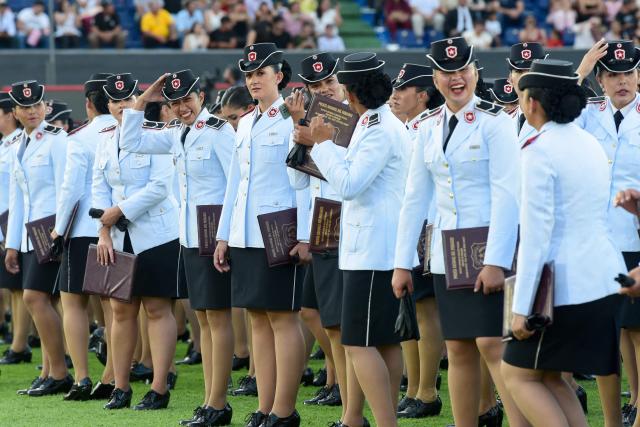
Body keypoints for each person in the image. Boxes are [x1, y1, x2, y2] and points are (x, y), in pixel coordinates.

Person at [392, 37, 526, 427]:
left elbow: (507, 196)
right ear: (434, 79)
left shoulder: (495, 122)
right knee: (459, 348)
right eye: (448, 73)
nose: (457, 79)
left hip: (489, 249)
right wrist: (403, 263)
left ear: (475, 72)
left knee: (493, 346)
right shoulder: (429, 127)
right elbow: (414, 199)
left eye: (463, 70)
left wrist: (497, 262)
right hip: (448, 252)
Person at [501, 58, 624, 427]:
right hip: (601, 280)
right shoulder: (587, 142)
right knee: (549, 377)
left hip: (565, 288)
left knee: (517, 375)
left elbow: (537, 235)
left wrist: (520, 308)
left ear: (532, 103)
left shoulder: (538, 150)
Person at [300, 51, 412, 427]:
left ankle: (384, 422)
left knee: (357, 343)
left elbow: (349, 184)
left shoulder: (379, 128)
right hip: (377, 247)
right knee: (383, 341)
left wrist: (322, 144)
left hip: (372, 250)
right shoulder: (375, 122)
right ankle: (380, 419)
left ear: (350, 91)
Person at [119, 69, 236, 426]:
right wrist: (142, 100)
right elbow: (131, 141)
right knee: (203, 318)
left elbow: (236, 186)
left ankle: (218, 403)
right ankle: (208, 401)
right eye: (174, 102)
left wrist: (225, 236)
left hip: (214, 238)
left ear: (200, 95)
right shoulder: (177, 133)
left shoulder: (218, 131)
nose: (182, 107)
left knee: (217, 318)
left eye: (187, 99)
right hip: (189, 237)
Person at [214, 43, 304, 427]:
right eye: (249, 74)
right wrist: (222, 236)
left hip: (279, 231)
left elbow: (303, 182)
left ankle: (285, 409)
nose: (253, 80)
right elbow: (236, 182)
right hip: (246, 234)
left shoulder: (292, 118)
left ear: (279, 77)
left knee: (283, 319)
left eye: (261, 73)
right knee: (257, 320)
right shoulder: (247, 122)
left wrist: (305, 233)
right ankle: (265, 406)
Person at [286, 52, 370, 427]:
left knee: (340, 324)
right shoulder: (311, 119)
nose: (325, 91)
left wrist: (318, 142)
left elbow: (348, 179)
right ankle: (342, 390)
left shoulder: (360, 121)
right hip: (320, 222)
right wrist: (302, 135)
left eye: (329, 83)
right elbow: (299, 182)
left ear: (342, 84)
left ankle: (351, 409)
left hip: (345, 222)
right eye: (316, 86)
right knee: (317, 314)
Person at [92, 73, 180, 410]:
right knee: (120, 310)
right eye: (115, 101)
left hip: (156, 233)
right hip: (116, 234)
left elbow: (160, 187)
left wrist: (119, 210)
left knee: (157, 308)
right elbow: (98, 189)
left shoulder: (156, 135)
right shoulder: (104, 139)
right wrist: (104, 229)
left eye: (127, 99)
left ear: (139, 101)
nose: (120, 106)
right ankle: (121, 385)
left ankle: (158, 387)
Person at [574, 39, 640, 427]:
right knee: (608, 337)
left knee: (637, 332)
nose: (622, 82)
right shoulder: (588, 112)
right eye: (613, 74)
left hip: (635, 237)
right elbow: (546, 110)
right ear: (600, 80)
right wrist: (579, 70)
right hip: (599, 242)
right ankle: (612, 421)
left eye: (629, 73)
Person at [51, 73, 118, 401]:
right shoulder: (123, 129)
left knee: (73, 302)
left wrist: (58, 228)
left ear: (88, 103)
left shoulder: (78, 138)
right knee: (112, 306)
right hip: (115, 227)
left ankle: (80, 377)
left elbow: (71, 189)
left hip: (81, 230)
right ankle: (111, 377)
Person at [4, 80, 73, 396]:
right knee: (43, 300)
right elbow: (19, 198)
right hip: (31, 234)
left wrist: (61, 230)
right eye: (24, 107)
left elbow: (67, 189)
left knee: (35, 297)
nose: (31, 112)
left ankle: (59, 371)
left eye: (36, 106)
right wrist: (12, 244)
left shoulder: (56, 140)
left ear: (45, 107)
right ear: (15, 112)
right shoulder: (20, 143)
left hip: (52, 232)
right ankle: (49, 370)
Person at [388, 63, 444, 419]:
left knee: (425, 310)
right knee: (408, 309)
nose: (395, 95)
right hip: (406, 226)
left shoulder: (432, 124)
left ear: (422, 95)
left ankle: (428, 389)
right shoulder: (405, 127)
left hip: (428, 226)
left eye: (403, 89)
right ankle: (412, 387)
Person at [0, 93, 30, 366]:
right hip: (7, 222)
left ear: (10, 113)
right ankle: (17, 339)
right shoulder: (6, 145)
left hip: (15, 220)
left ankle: (20, 343)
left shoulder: (18, 144)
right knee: (14, 289)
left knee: (21, 288)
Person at [507, 42, 548, 143]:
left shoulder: (558, 117)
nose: (525, 77)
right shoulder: (501, 121)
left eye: (531, 70)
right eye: (519, 71)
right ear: (510, 79)